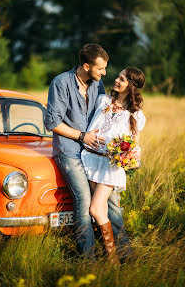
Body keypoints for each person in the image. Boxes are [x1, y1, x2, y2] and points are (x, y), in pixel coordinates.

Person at [45, 43, 130, 263]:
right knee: (84, 201)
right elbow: (52, 122)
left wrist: (124, 147)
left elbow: (104, 117)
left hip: (94, 155)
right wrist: (82, 136)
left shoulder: (97, 84)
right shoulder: (61, 83)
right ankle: (89, 261)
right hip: (69, 151)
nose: (104, 73)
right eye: (100, 68)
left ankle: (125, 254)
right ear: (86, 66)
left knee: (111, 202)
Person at [81, 66, 146, 262]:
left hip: (109, 166)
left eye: (123, 79)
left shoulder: (135, 115)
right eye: (118, 77)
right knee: (98, 211)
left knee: (95, 209)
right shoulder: (103, 100)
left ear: (131, 87)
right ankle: (110, 259)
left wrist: (129, 158)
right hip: (90, 158)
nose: (117, 80)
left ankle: (113, 258)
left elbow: (134, 146)